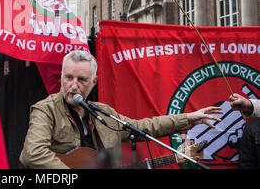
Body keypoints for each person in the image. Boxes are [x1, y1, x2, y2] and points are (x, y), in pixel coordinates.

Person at [19, 50, 223, 169]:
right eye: (68, 78)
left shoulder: (101, 113)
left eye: (81, 80)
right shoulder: (46, 109)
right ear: (61, 77)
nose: (73, 85)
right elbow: (32, 154)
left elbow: (143, 127)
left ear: (94, 82)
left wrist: (188, 118)